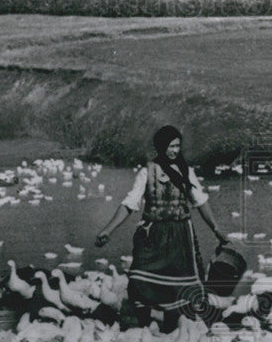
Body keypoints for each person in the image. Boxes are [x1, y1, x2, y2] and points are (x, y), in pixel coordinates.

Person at [95, 125, 228, 331]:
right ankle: (144, 326)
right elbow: (130, 203)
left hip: (180, 235)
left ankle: (169, 329)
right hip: (152, 234)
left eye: (177, 146)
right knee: (139, 280)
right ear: (161, 147)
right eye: (171, 146)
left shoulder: (186, 172)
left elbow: (200, 202)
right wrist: (108, 230)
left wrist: (217, 229)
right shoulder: (147, 172)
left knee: (179, 286)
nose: (175, 150)